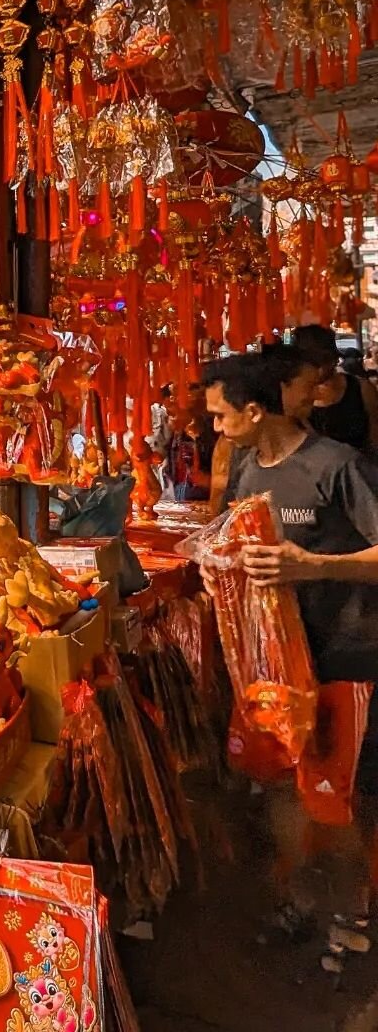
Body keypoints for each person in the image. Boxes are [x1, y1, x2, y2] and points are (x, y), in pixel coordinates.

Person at [203, 352, 378, 962]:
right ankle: (303, 902)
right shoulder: (250, 471)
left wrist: (314, 566)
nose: (216, 429)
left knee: (339, 796)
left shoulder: (338, 467)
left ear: (255, 410)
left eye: (223, 416)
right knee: (285, 787)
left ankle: (351, 915)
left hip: (347, 657)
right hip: (280, 664)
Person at [290, 324, 378, 454]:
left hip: (360, 468)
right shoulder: (294, 398)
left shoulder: (361, 388)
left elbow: (375, 437)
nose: (318, 369)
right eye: (311, 362)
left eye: (322, 360)